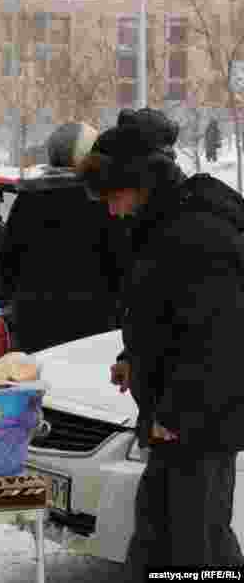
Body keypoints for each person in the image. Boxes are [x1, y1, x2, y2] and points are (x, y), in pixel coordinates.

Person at [80, 108, 244, 575]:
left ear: (142, 180)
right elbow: (162, 314)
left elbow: (219, 338)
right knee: (162, 534)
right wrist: (133, 356)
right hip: (177, 414)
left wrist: (175, 412)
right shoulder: (159, 227)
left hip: (201, 418)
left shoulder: (198, 232)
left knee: (195, 544)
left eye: (115, 195)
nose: (112, 209)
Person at [0, 123, 128, 353]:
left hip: (35, 319)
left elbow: (7, 262)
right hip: (92, 322)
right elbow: (120, 263)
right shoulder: (101, 201)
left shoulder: (28, 200)